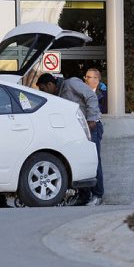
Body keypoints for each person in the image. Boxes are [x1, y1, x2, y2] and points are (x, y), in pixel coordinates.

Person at [37, 72, 104, 206]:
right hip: (77, 131)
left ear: (50, 84)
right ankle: (84, 196)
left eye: (44, 89)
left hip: (91, 127)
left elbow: (91, 96)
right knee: (81, 162)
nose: (44, 93)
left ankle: (97, 195)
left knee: (93, 161)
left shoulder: (71, 83)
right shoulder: (57, 95)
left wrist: (91, 119)